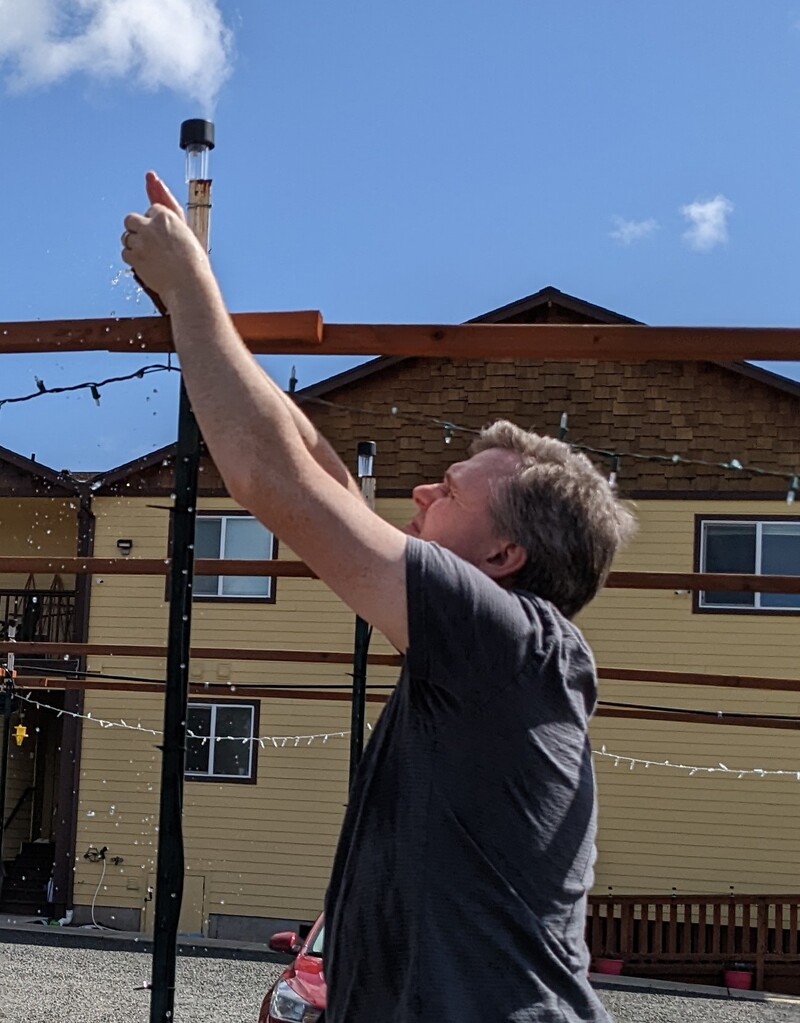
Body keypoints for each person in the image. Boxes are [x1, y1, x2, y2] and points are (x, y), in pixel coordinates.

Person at [122, 173, 636, 1023]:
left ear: (505, 554)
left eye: (451, 489)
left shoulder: (511, 644)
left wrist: (189, 293)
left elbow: (271, 481)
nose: (422, 494)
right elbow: (324, 482)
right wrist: (200, 310)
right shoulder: (493, 659)